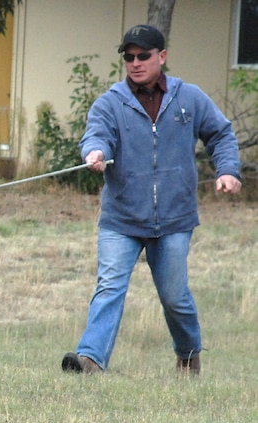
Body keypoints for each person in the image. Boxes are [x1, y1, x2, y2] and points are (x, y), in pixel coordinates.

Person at [61, 24, 242, 375]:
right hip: (121, 219)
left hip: (174, 219)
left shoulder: (188, 99)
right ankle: (90, 360)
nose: (135, 62)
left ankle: (188, 355)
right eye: (129, 57)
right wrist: (95, 151)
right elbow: (97, 134)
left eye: (143, 55)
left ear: (162, 56)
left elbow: (221, 134)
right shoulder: (110, 103)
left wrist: (228, 170)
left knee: (175, 297)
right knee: (110, 287)